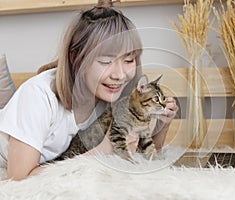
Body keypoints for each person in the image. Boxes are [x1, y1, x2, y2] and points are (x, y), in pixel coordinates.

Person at [0, 6, 178, 181]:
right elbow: (18, 180)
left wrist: (162, 125)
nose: (120, 75)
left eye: (129, 60)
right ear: (76, 59)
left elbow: (139, 153)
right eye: (106, 61)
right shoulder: (38, 96)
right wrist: (103, 149)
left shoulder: (113, 96)